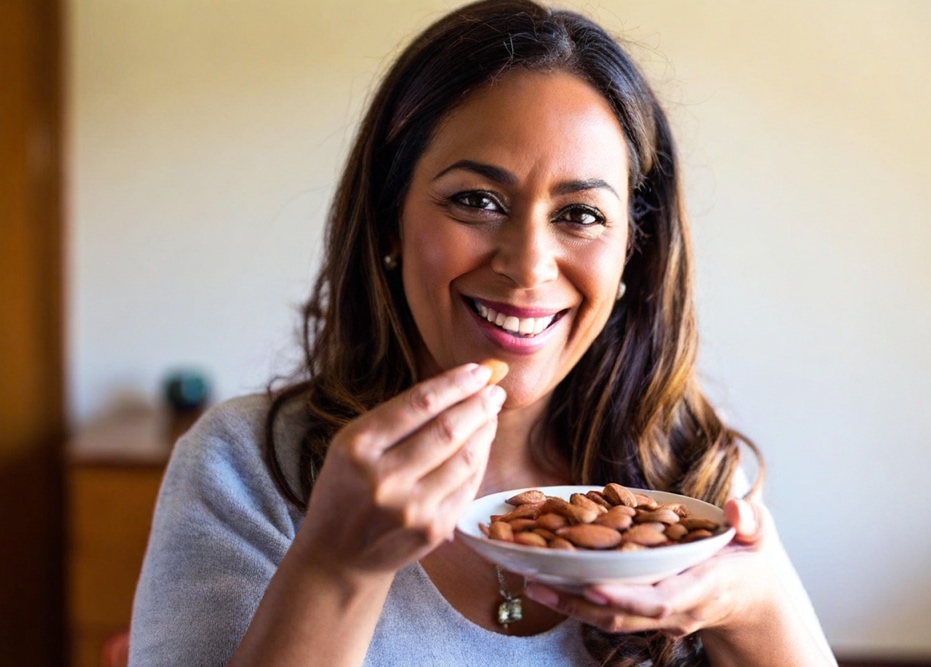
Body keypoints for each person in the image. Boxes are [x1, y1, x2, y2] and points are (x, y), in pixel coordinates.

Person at [129, 1, 837, 665]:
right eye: (476, 200)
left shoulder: (688, 483)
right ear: (388, 223)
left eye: (581, 214)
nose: (528, 266)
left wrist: (757, 604)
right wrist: (335, 566)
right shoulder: (243, 469)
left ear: (632, 251)